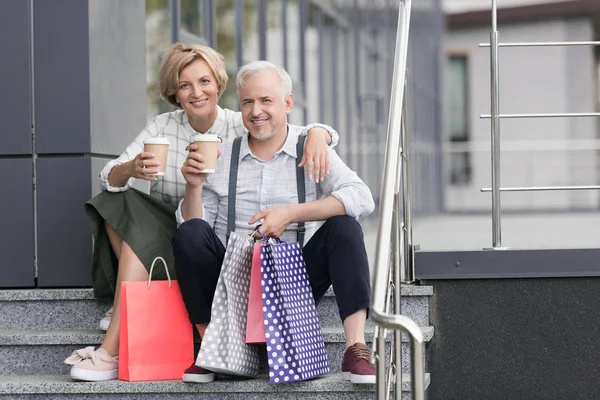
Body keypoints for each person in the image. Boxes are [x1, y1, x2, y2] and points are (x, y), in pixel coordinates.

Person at [64, 43, 339, 382]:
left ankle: (114, 338)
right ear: (174, 94)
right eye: (185, 85)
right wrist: (133, 168)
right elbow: (110, 177)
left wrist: (319, 133)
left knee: (181, 233)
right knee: (113, 201)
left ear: (218, 85)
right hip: (167, 229)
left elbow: (283, 124)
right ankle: (131, 300)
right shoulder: (162, 127)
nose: (197, 92)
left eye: (204, 81)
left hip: (201, 241)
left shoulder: (240, 124)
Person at [172, 61, 376, 385]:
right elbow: (193, 224)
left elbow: (362, 197)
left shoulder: (311, 147)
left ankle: (356, 348)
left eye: (266, 100)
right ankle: (212, 348)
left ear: (288, 103)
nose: (256, 111)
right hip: (234, 283)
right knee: (189, 233)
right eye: (247, 102)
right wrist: (194, 185)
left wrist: (291, 213)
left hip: (295, 282)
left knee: (345, 226)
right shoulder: (222, 156)